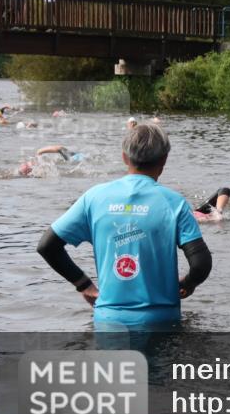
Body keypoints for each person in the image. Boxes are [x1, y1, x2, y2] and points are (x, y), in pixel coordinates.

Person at [37, 124, 212, 328]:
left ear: (124, 157)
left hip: (108, 323)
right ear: (164, 159)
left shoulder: (94, 197)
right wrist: (188, 283)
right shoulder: (174, 203)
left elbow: (47, 246)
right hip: (161, 322)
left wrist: (84, 285)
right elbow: (201, 264)